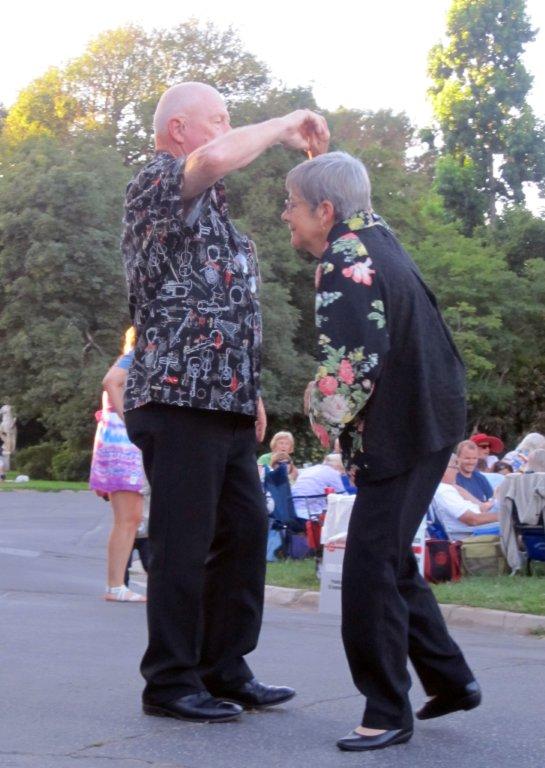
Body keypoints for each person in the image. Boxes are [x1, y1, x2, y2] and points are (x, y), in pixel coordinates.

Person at [122, 81, 329, 724]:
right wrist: (285, 123)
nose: (229, 130)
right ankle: (170, 681)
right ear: (179, 129)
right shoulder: (155, 181)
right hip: (179, 397)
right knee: (185, 542)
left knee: (244, 533)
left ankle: (224, 667)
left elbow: (224, 308)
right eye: (221, 119)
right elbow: (213, 160)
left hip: (228, 402)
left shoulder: (213, 212)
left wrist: (253, 390)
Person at [282, 151, 480, 751]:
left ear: (325, 209)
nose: (284, 216)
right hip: (429, 419)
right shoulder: (379, 239)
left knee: (367, 569)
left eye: (291, 204)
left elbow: (352, 366)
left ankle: (386, 710)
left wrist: (319, 411)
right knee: (390, 558)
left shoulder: (346, 257)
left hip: (403, 431)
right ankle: (451, 678)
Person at [89, 327, 147, 602]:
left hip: (118, 444)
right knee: (128, 518)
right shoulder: (136, 356)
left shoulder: (134, 357)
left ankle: (116, 585)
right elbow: (110, 381)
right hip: (121, 445)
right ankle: (115, 586)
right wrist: (131, 419)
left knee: (131, 518)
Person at [433, 456, 499, 539]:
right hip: (473, 534)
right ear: (443, 470)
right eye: (454, 467)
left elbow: (480, 508)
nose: (457, 471)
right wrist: (503, 516)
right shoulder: (444, 490)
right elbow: (472, 520)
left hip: (480, 528)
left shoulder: (449, 487)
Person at [290, 453, 347, 519]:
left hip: (294, 509)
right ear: (339, 466)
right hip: (309, 513)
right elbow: (343, 495)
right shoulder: (332, 472)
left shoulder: (311, 469)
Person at [455, 440, 495, 504]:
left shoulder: (480, 478)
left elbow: (492, 500)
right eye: (467, 458)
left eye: (474, 458)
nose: (471, 462)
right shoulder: (452, 478)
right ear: (457, 458)